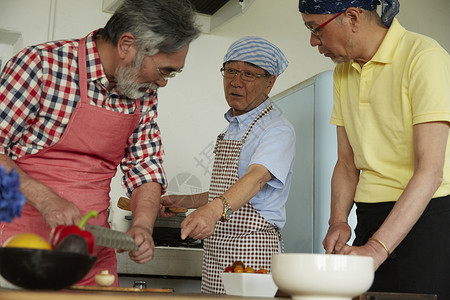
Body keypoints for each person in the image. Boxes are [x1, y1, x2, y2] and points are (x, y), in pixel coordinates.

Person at [0, 0, 200, 286]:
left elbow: (145, 165)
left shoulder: (142, 92)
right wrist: (45, 199)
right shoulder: (41, 65)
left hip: (91, 257)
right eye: (165, 70)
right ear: (126, 45)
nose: (164, 82)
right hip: (19, 249)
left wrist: (143, 225)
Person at [298, 0, 450, 298]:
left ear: (353, 17)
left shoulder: (424, 57)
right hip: (370, 218)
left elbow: (430, 171)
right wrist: (339, 220)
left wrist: (376, 249)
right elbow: (346, 163)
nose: (313, 41)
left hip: (428, 219)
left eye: (316, 29)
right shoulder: (344, 72)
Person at [161, 36, 295, 294]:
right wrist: (184, 201)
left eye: (248, 74)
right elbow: (229, 190)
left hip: (252, 250)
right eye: (231, 70)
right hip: (217, 253)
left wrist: (212, 212)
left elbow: (256, 179)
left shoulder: (277, 129)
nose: (235, 81)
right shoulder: (231, 129)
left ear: (270, 82)